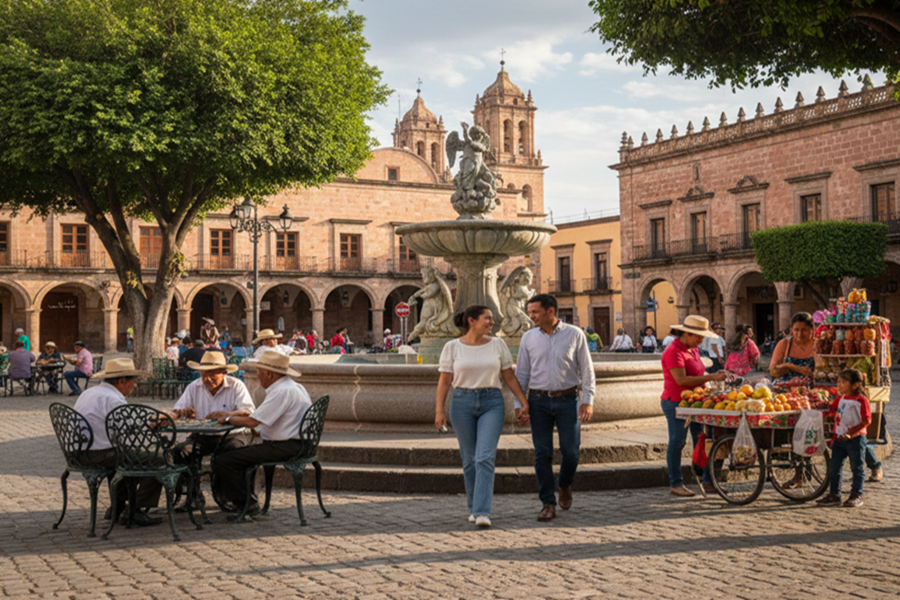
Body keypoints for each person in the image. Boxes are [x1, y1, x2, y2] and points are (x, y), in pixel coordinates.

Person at [436, 305, 529, 528]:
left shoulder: (498, 344)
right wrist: (439, 410)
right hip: (462, 403)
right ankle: (474, 507)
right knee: (469, 460)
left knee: (484, 457)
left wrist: (523, 401)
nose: (492, 322)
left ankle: (482, 512)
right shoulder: (452, 347)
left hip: (492, 402)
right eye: (487, 318)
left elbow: (508, 376)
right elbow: (445, 381)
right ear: (472, 320)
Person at [516, 294, 596, 522]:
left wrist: (588, 399)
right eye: (530, 312)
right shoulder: (528, 338)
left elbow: (587, 369)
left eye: (535, 312)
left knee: (571, 451)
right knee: (542, 454)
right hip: (538, 401)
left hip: (568, 400)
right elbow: (522, 373)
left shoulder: (575, 334)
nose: (531, 316)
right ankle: (547, 503)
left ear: (550, 311)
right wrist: (520, 404)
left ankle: (564, 483)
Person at [213, 351, 311, 514]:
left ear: (269, 374)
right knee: (241, 454)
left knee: (226, 460)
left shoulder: (281, 391)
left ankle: (246, 503)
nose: (257, 375)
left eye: (259, 371)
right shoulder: (293, 386)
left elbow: (253, 421)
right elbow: (265, 420)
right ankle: (246, 497)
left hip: (285, 447)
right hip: (295, 444)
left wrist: (228, 419)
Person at [73, 358, 162, 526]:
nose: (135, 385)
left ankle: (118, 505)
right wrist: (154, 421)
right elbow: (129, 430)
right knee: (159, 458)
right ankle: (135, 508)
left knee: (127, 454)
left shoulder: (89, 392)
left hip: (78, 453)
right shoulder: (113, 398)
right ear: (121, 380)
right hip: (99, 454)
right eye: (133, 381)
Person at [660, 316, 728, 497]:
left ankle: (708, 480)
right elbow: (681, 380)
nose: (701, 340)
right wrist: (711, 377)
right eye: (698, 336)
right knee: (677, 442)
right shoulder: (673, 351)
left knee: (702, 440)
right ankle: (676, 483)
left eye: (702, 336)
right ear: (686, 333)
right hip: (675, 401)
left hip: (694, 401)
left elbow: (697, 372)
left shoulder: (693, 349)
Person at [817, 368, 871, 508]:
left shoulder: (861, 400)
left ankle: (856, 495)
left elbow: (867, 421)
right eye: (838, 382)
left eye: (843, 382)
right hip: (839, 439)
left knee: (857, 468)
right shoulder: (841, 398)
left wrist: (851, 433)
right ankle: (834, 494)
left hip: (855, 440)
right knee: (834, 468)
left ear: (855, 385)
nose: (839, 385)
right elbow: (832, 411)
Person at [769, 312, 815, 383]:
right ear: (791, 330)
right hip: (785, 387)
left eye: (804, 330)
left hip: (814, 388)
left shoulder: (818, 345)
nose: (800, 334)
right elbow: (772, 371)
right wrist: (789, 366)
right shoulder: (784, 344)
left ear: (811, 330)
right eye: (796, 330)